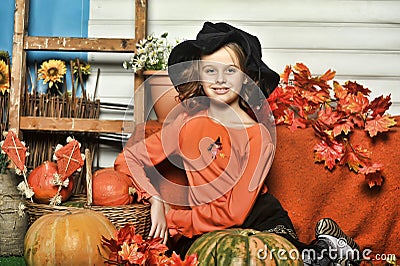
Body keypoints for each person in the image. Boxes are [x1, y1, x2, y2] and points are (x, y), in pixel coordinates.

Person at [115, 21, 360, 265]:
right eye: (210, 70)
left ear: (246, 78)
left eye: (230, 70)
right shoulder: (185, 123)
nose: (220, 79)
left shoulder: (258, 137)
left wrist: (173, 218)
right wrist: (155, 198)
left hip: (258, 221)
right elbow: (128, 159)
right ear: (199, 74)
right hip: (205, 227)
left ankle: (327, 250)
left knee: (281, 259)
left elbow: (232, 213)